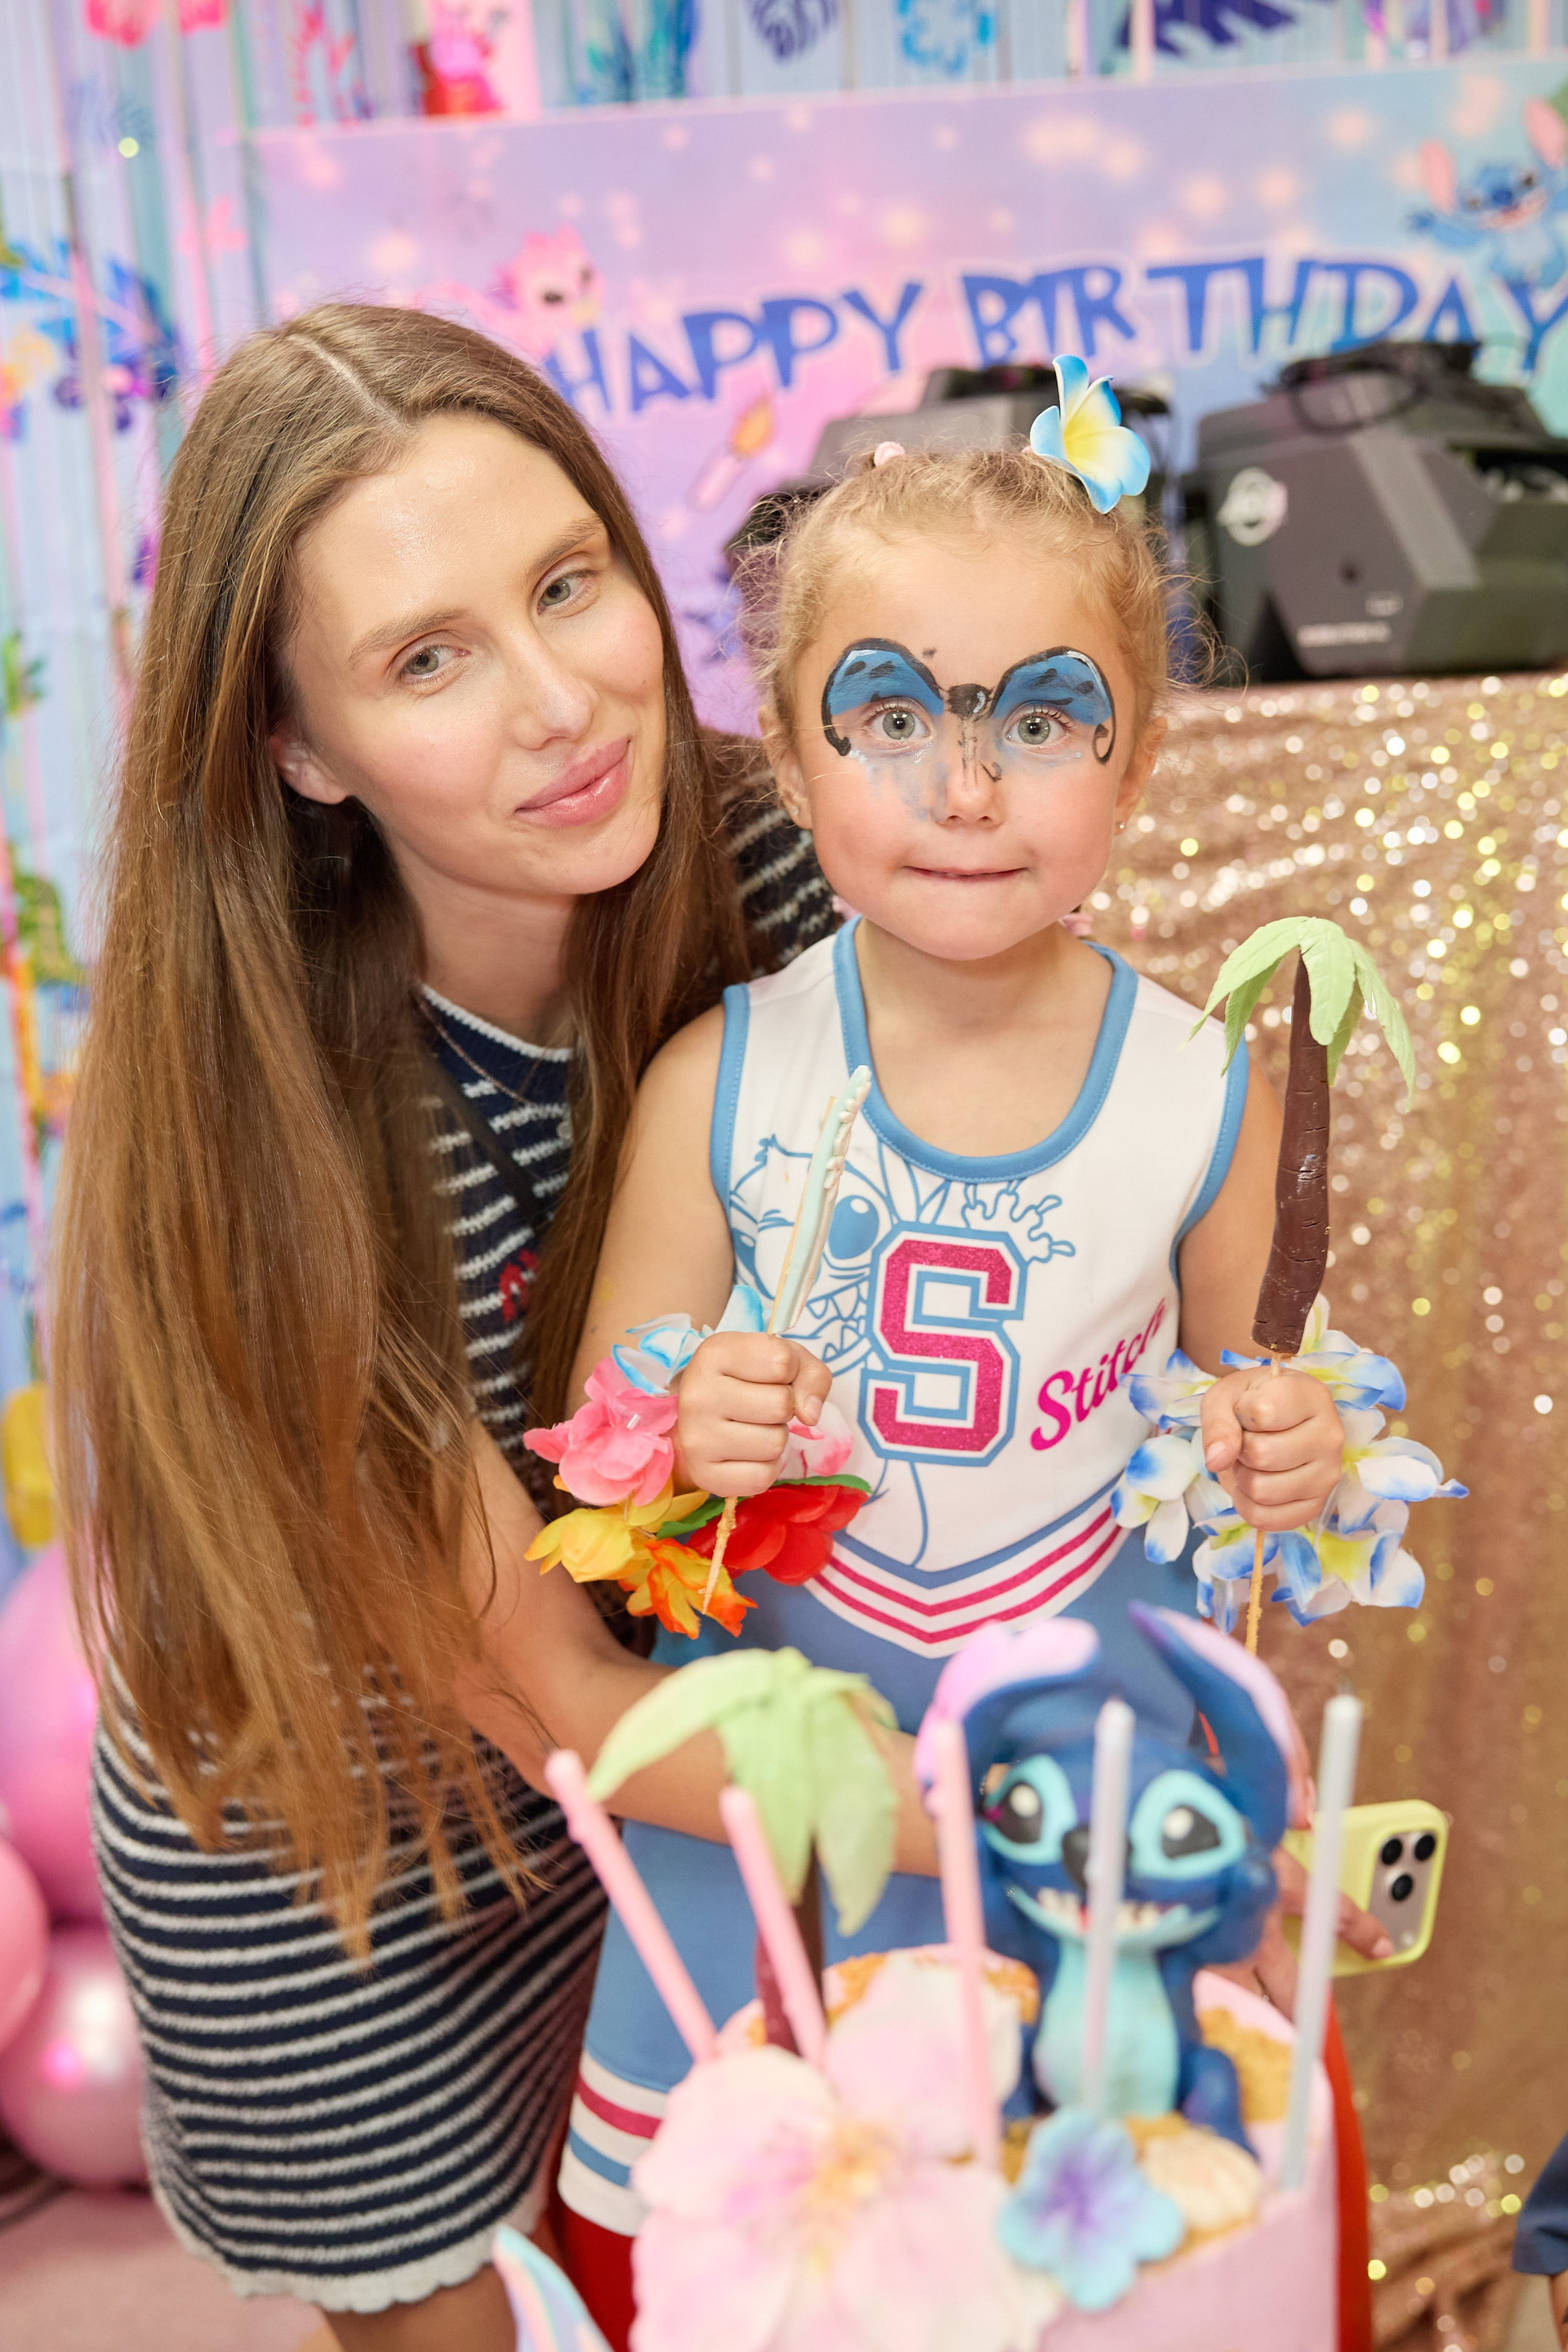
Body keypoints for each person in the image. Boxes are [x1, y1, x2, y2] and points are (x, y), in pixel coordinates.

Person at [52, 303, 944, 2352]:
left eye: (568, 584)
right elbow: (544, 1687)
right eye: (426, 661)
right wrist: (1018, 1819)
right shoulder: (267, 1135)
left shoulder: (778, 860)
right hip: (338, 1844)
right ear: (300, 750)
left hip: (669, 1734)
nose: (562, 705)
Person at [553, 419, 1392, 2316]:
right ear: (789, 757)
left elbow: (1273, 1419)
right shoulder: (719, 1080)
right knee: (781, 2274)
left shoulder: (1204, 1091)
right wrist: (685, 1433)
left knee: (1101, 2273)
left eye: (1042, 718)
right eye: (888, 718)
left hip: (1086, 1797)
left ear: (1139, 757)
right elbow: (608, 1485)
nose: (966, 785)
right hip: (788, 1811)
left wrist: (1288, 1443)